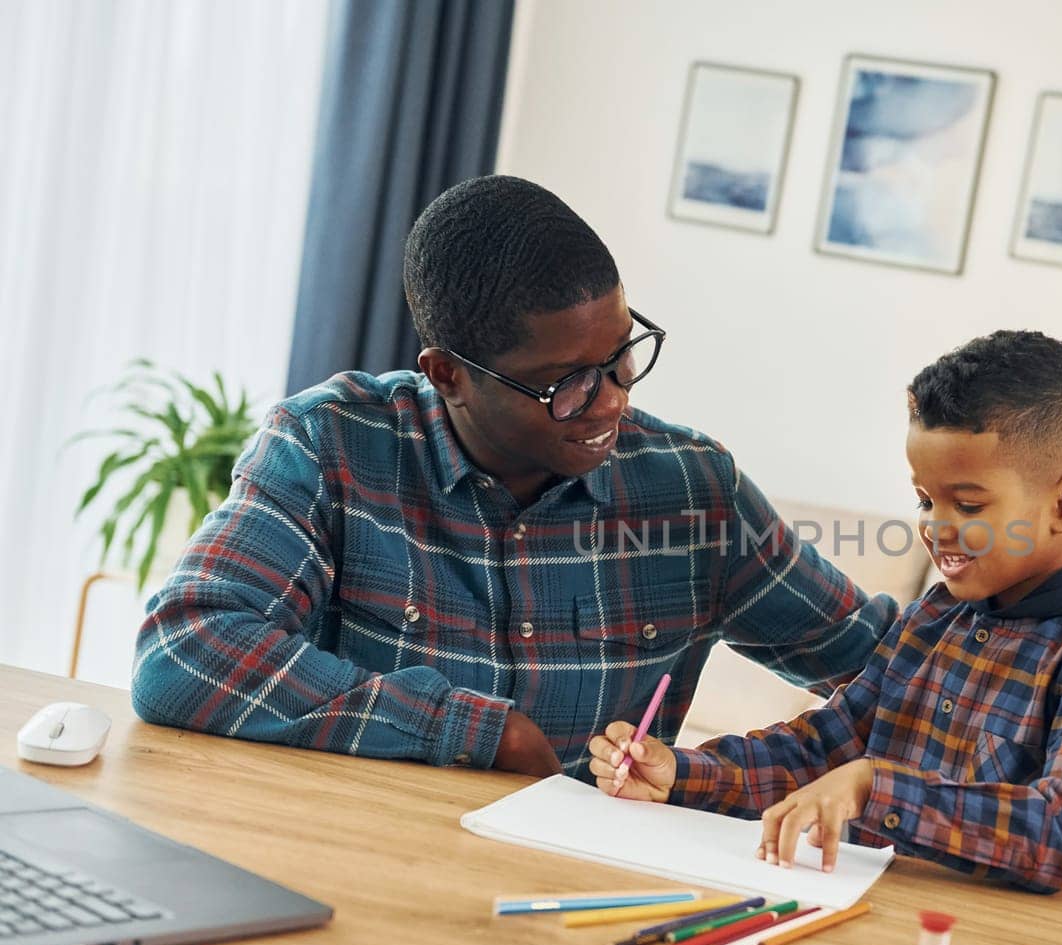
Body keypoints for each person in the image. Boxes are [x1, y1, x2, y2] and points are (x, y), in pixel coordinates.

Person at [129, 175, 894, 779]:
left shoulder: (693, 490)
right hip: (369, 877)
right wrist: (465, 729)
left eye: (622, 357)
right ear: (448, 375)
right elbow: (185, 651)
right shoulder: (331, 446)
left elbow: (884, 664)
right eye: (567, 383)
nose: (615, 401)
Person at [589, 331, 1062, 899]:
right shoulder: (932, 620)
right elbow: (821, 748)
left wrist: (872, 786)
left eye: (967, 503)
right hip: (880, 924)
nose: (935, 526)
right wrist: (682, 773)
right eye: (925, 499)